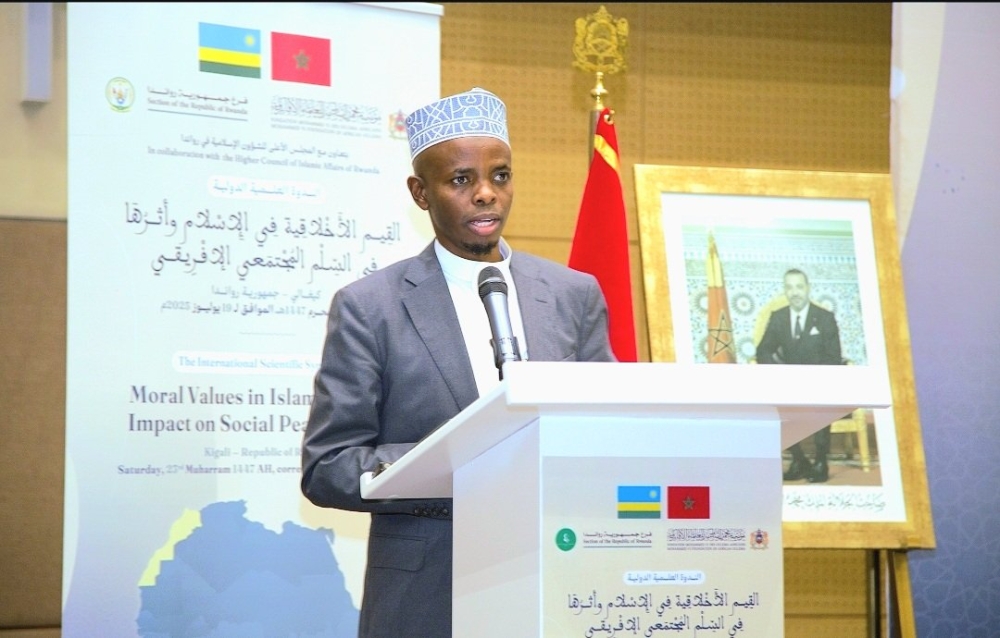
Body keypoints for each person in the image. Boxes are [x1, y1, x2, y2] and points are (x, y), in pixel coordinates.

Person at [300, 87, 616, 637]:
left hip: (562, 582)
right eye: (461, 180)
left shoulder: (573, 294)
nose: (486, 195)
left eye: (500, 175)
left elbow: (610, 430)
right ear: (421, 193)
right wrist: (463, 459)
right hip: (427, 597)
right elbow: (327, 468)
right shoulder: (370, 307)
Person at [756, 267, 842, 483]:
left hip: (819, 384)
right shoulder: (779, 318)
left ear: (808, 288)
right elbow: (763, 350)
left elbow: (834, 357)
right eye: (789, 287)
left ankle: (821, 462)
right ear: (785, 290)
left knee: (824, 404)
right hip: (788, 385)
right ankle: (799, 460)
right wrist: (778, 373)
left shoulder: (824, 318)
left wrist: (815, 380)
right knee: (776, 407)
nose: (795, 292)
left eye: (799, 287)